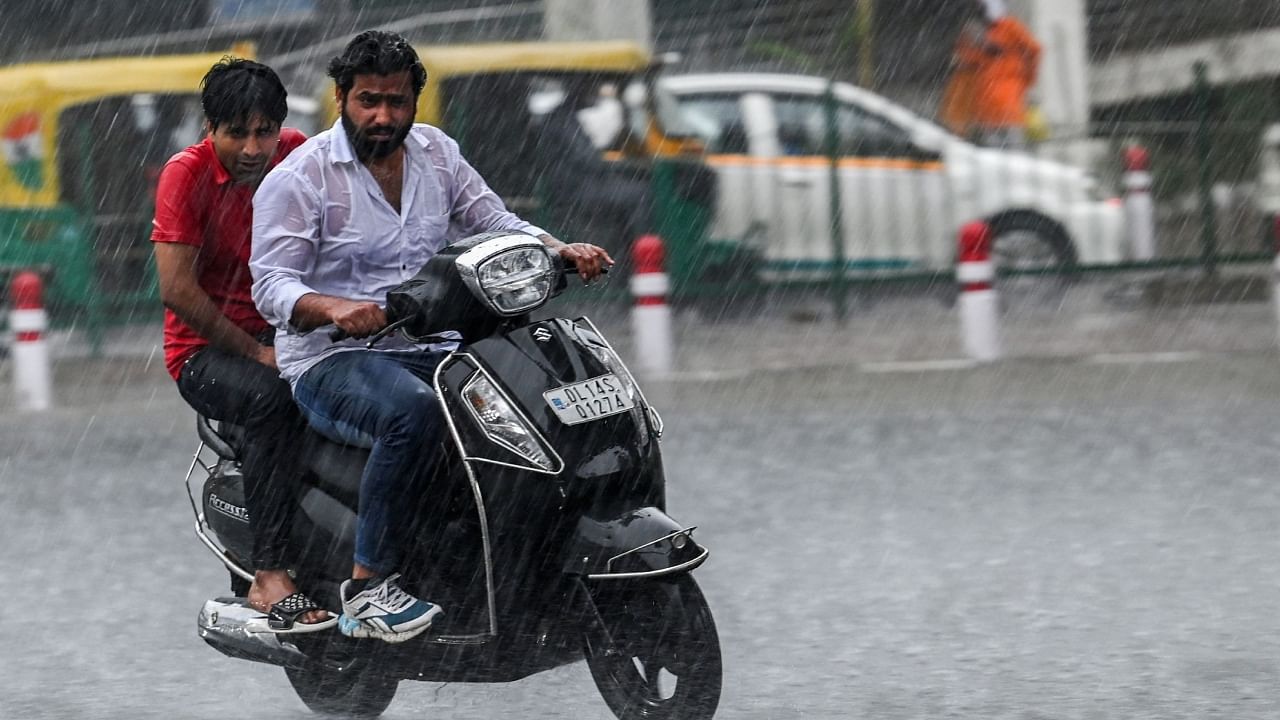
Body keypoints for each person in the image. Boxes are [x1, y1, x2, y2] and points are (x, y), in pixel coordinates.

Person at [249, 30, 612, 644]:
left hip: (429, 344)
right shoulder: (301, 177)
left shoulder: (437, 154)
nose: (383, 115)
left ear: (415, 98)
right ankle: (368, 587)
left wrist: (557, 247)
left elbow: (493, 221)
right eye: (368, 100)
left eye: (396, 100)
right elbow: (271, 286)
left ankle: (505, 565)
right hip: (330, 361)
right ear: (341, 98)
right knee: (412, 414)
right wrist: (335, 308)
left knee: (531, 395)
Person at [151, 58, 334, 633]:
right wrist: (256, 352)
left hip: (292, 329)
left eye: (265, 132)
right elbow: (177, 290)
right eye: (238, 133)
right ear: (211, 127)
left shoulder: (299, 151)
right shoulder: (185, 175)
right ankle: (270, 571)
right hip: (206, 351)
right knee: (273, 400)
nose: (254, 148)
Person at [530, 76, 652, 258]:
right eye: (591, 88)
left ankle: (631, 251)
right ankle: (645, 255)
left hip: (576, 184)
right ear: (580, 89)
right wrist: (617, 168)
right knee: (641, 195)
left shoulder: (562, 116)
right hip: (575, 189)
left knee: (631, 190)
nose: (595, 94)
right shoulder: (562, 119)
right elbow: (586, 158)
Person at [938, 0, 1041, 149]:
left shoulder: (1005, 28)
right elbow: (1034, 50)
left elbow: (963, 59)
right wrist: (1028, 79)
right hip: (997, 106)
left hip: (996, 106)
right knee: (1010, 155)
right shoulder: (1001, 28)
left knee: (998, 156)